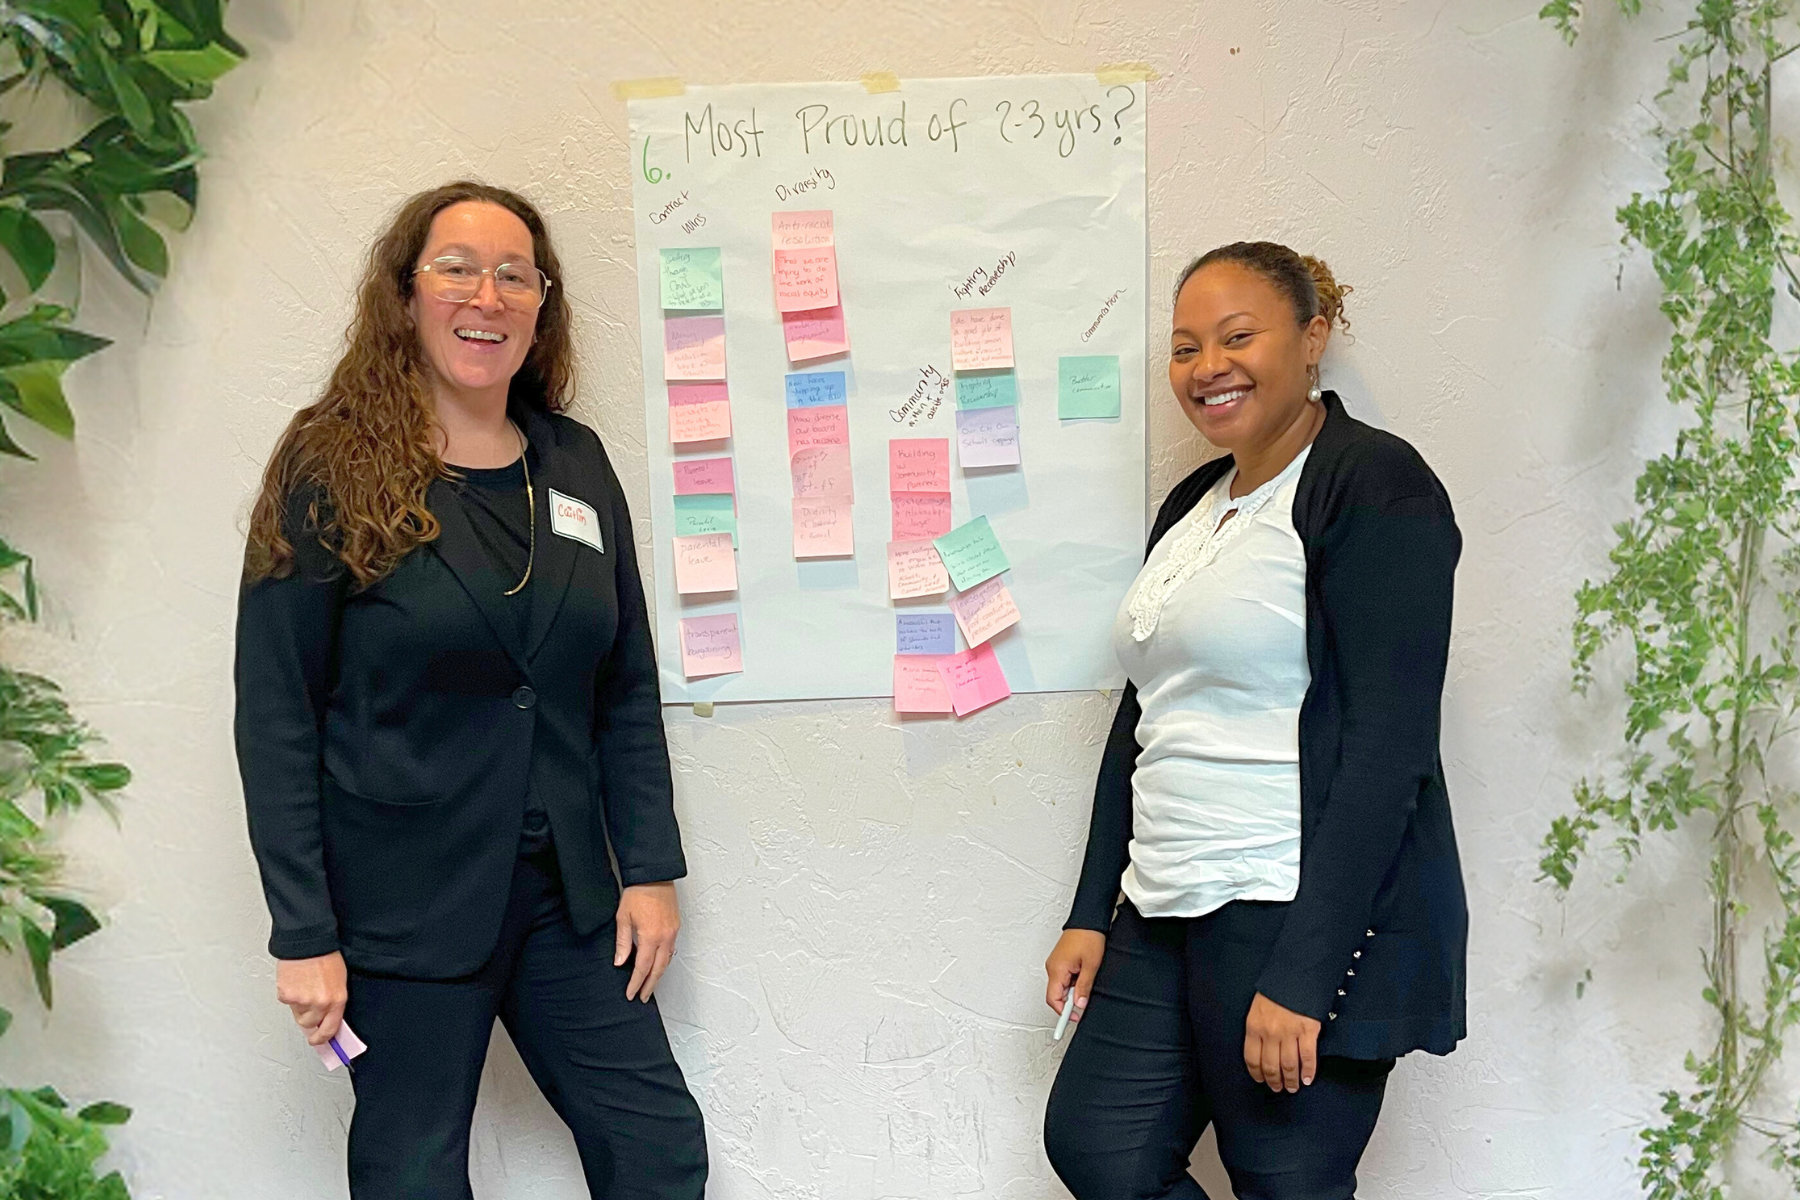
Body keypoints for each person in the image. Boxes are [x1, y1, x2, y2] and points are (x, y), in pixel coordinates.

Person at [234, 181, 707, 1199]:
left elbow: (622, 683)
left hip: (567, 897)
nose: (484, 295)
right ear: (407, 296)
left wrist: (651, 866)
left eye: (513, 274)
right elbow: (275, 712)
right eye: (455, 267)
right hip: (399, 906)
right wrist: (302, 932)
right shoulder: (329, 466)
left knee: (659, 1150)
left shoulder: (572, 463)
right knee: (412, 1178)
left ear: (542, 306)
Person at [1041, 241, 1467, 1200]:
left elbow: (1389, 752)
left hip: (1285, 902)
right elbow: (1143, 718)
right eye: (1186, 347)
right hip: (1161, 904)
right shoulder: (1194, 503)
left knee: (1284, 1180)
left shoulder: (1376, 486)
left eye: (1239, 337)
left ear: (1312, 338)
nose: (1207, 367)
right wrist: (1090, 912)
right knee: (1097, 1144)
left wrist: (1306, 976)